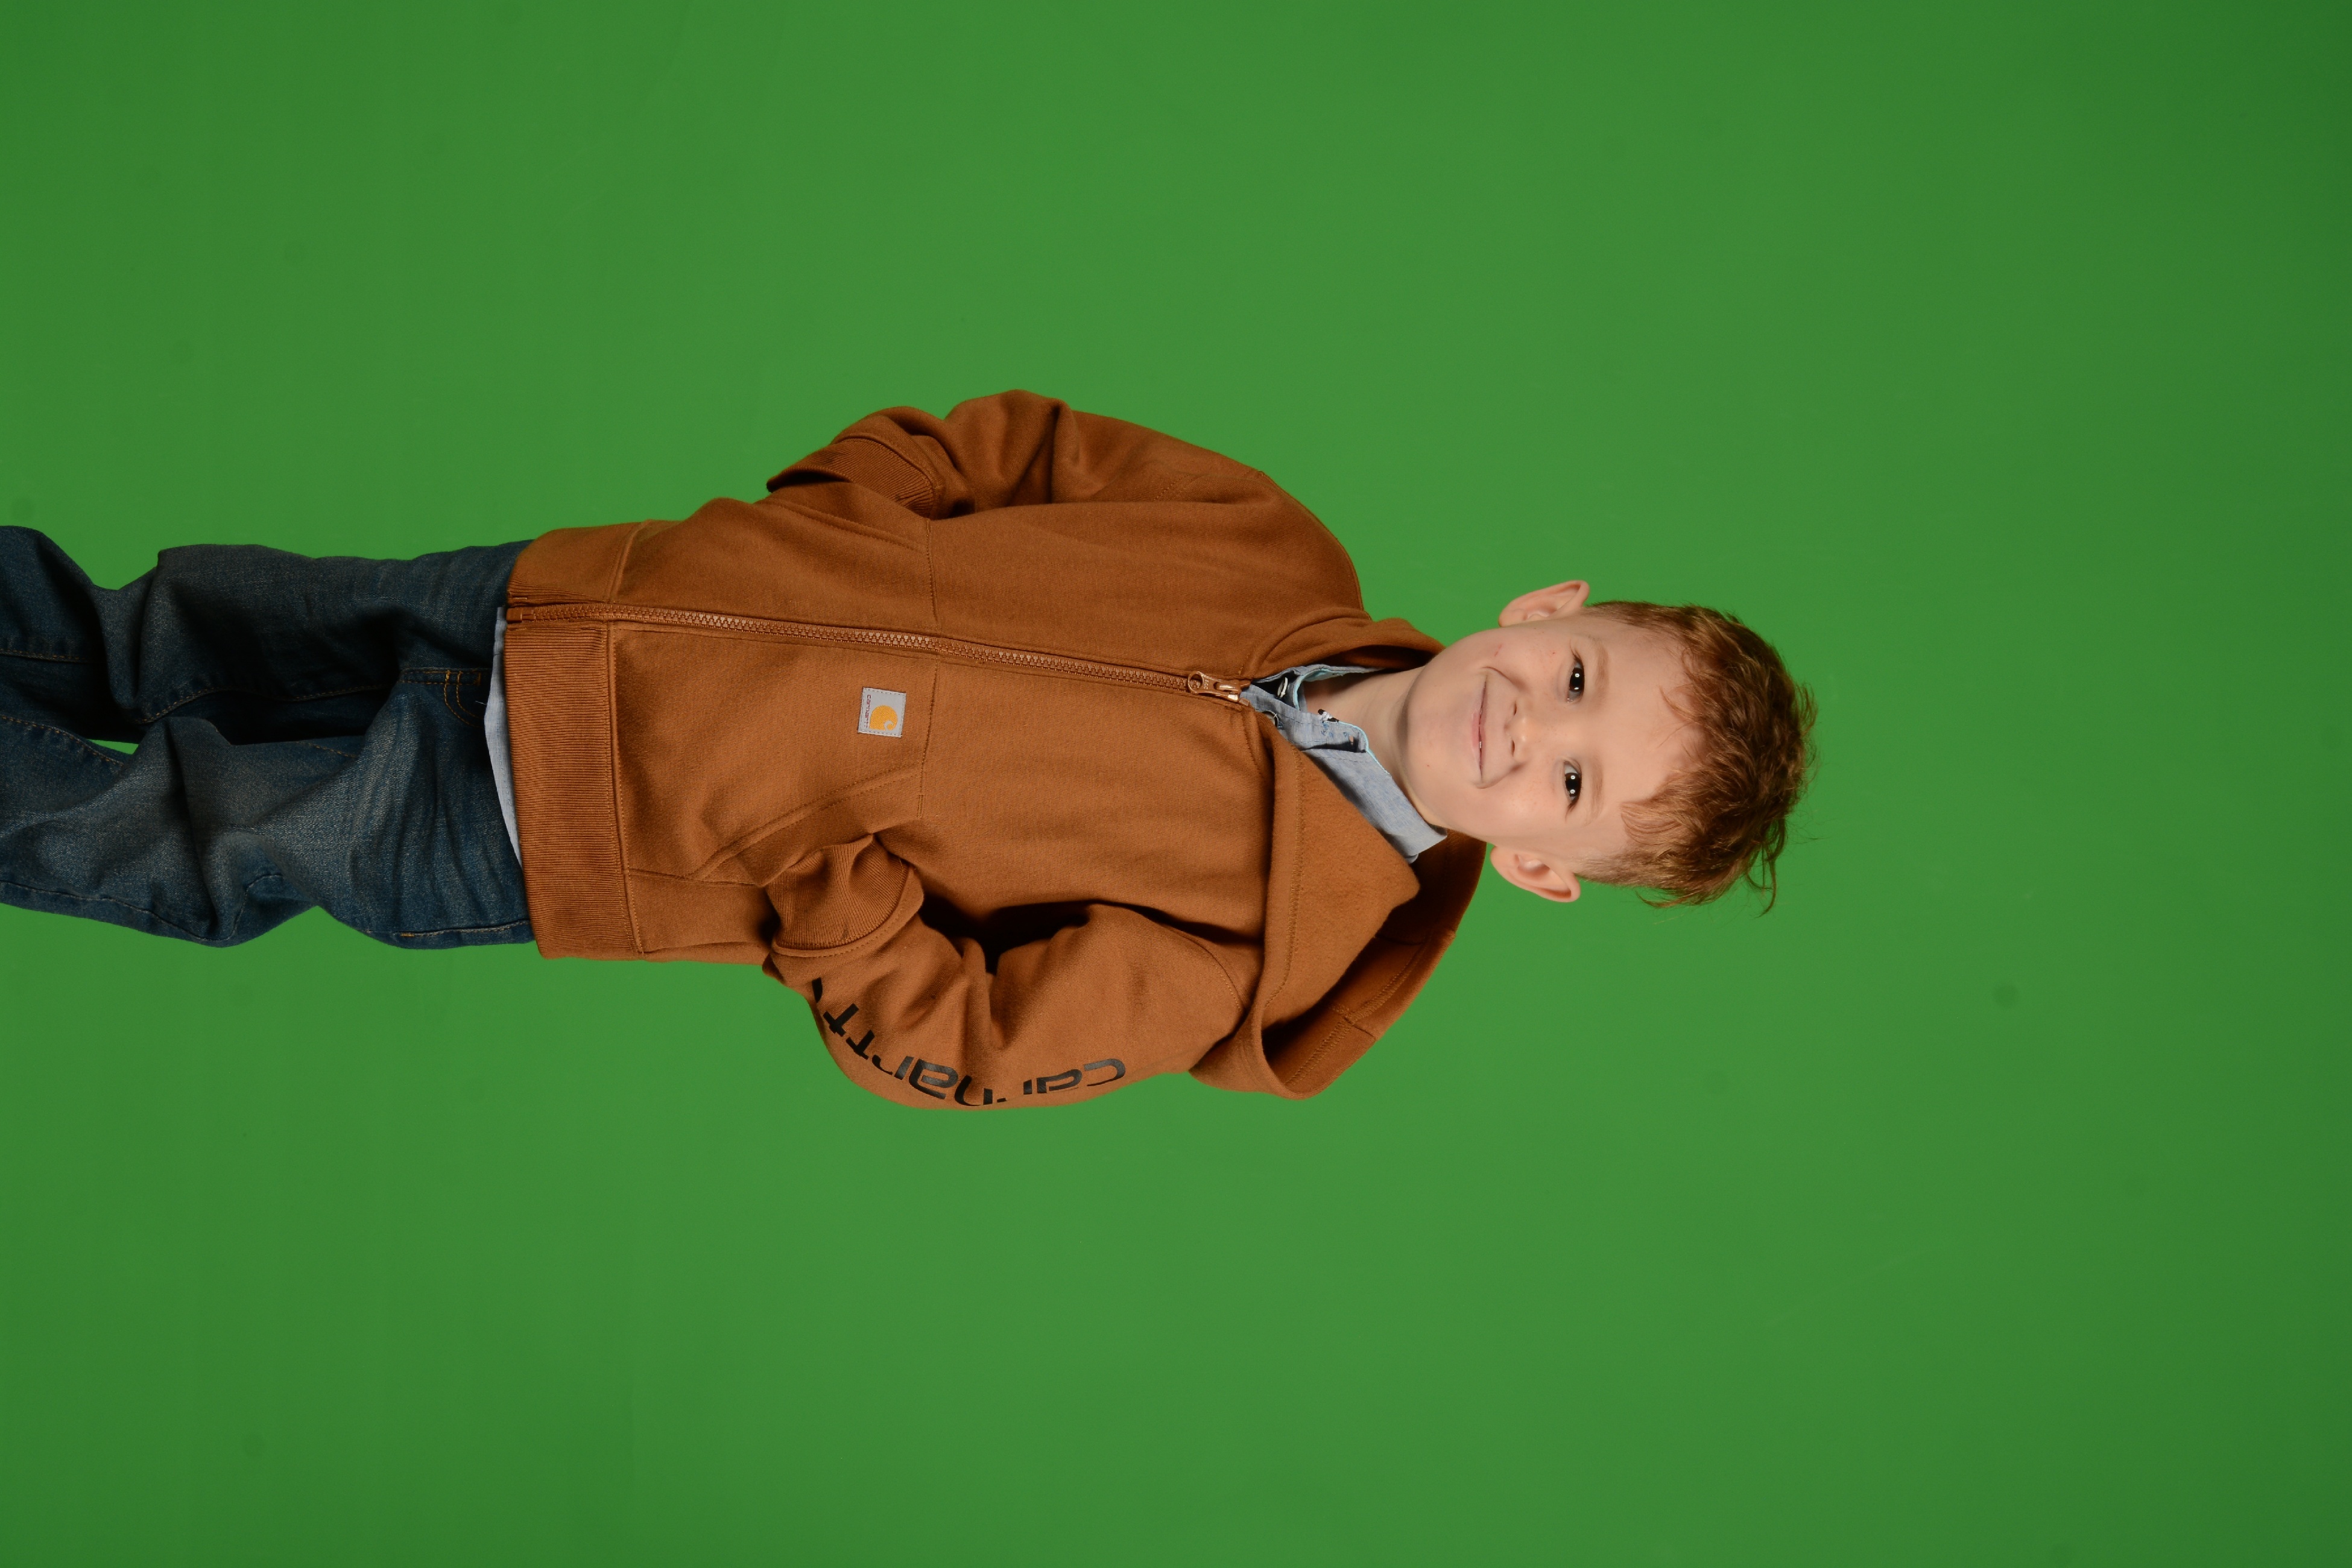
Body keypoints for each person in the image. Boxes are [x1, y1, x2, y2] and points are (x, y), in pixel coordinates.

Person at [0, 391, 1813, 1108]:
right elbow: (1020, 443)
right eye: (1577, 675)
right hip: (579, 600)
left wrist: (830, 891)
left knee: (178, 833)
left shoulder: (1252, 944)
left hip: (570, 823)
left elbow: (969, 1042)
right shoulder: (1271, 542)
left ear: (1542, 865)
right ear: (1550, 602)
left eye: (1571, 782)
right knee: (173, 627)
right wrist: (835, 515)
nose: (1533, 725)